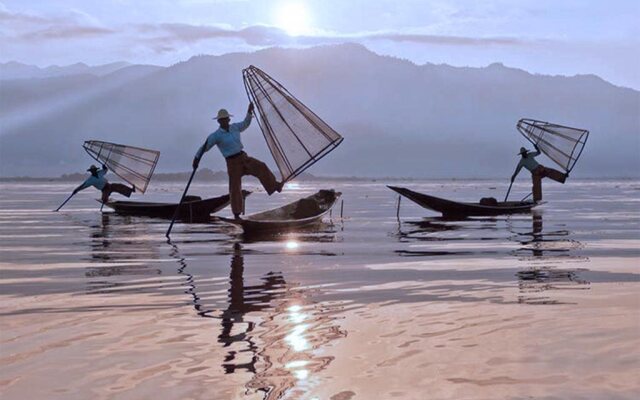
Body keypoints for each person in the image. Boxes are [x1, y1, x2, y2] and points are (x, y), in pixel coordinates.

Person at [192, 103, 283, 219]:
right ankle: (236, 214)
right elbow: (204, 147)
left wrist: (249, 112)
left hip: (243, 158)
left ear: (228, 119)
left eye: (226, 119)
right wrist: (196, 158)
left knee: (261, 166)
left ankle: (275, 186)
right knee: (235, 188)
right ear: (219, 122)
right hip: (232, 163)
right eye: (222, 120)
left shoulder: (235, 127)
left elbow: (245, 123)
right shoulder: (215, 136)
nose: (225, 121)